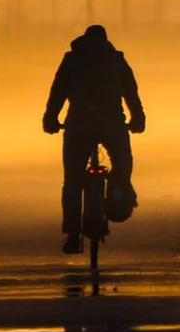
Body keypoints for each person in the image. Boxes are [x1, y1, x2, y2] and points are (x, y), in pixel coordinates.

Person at [42, 24, 145, 253]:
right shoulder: (116, 60)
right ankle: (118, 191)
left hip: (78, 125)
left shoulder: (72, 60)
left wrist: (50, 119)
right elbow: (131, 92)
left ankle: (72, 234)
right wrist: (138, 119)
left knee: (72, 181)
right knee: (123, 162)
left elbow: (57, 91)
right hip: (112, 124)